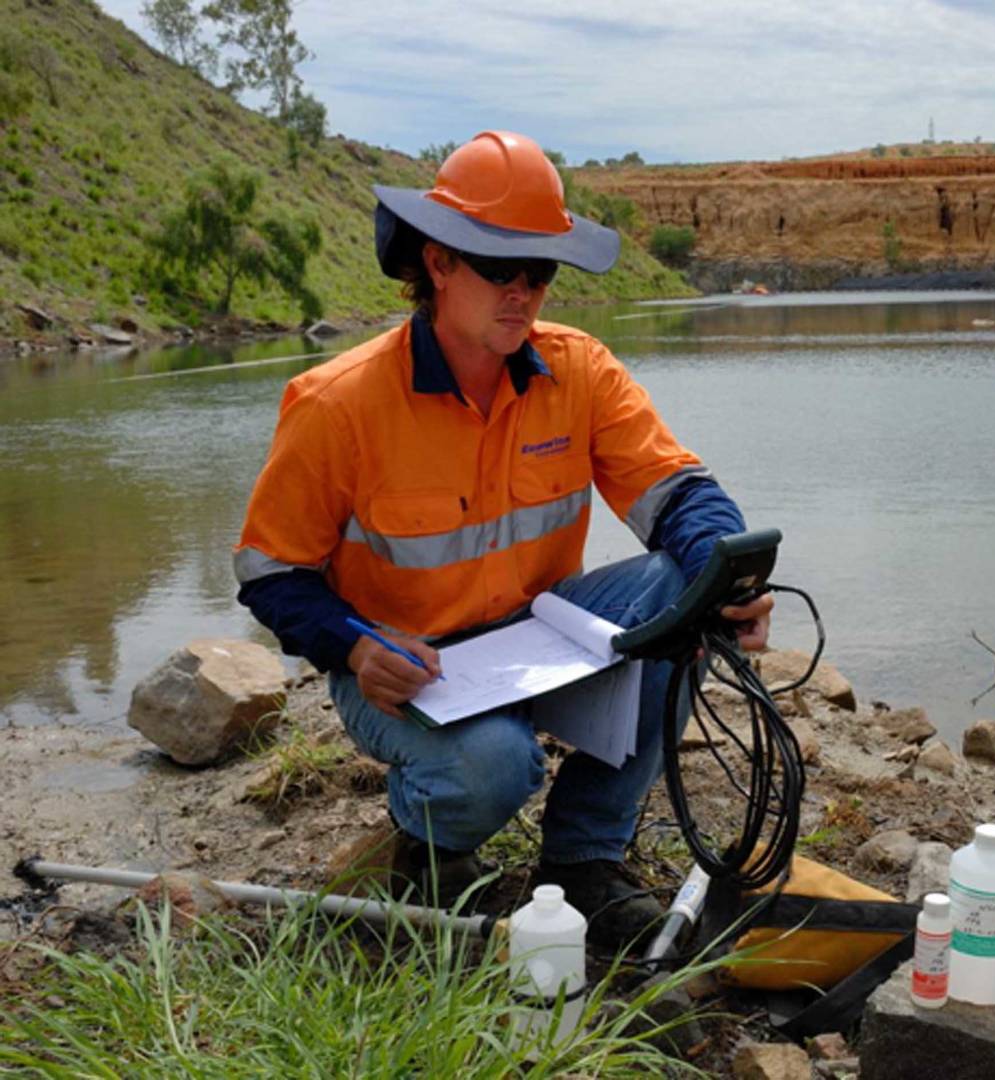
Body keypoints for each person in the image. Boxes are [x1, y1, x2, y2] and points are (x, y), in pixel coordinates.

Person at [234, 130, 773, 946]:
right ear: (437, 262)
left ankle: (584, 864)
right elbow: (270, 573)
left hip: (536, 637)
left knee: (685, 591)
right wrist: (351, 645)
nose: (522, 293)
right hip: (404, 666)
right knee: (493, 765)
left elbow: (677, 494)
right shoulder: (337, 405)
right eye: (498, 268)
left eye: (539, 272)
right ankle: (428, 856)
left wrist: (726, 584)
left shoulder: (579, 370)